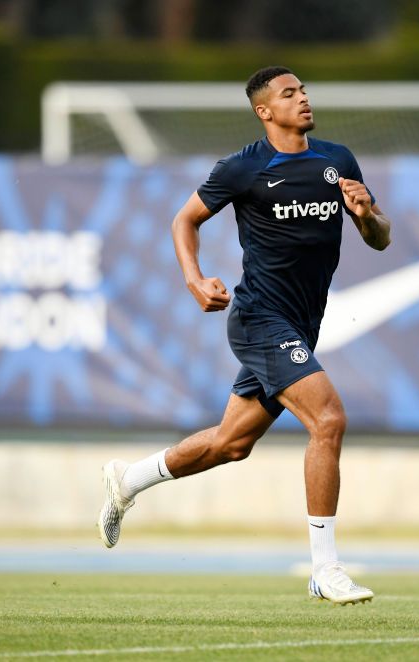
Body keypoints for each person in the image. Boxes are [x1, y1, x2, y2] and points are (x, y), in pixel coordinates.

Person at [97, 66, 391, 604]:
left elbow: (380, 239)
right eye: (289, 94)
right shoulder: (243, 168)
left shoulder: (337, 160)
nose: (303, 98)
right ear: (264, 111)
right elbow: (184, 220)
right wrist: (193, 278)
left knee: (231, 444)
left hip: (301, 324)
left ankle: (128, 480)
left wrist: (367, 214)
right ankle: (325, 570)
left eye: (303, 90)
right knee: (328, 419)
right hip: (258, 319)